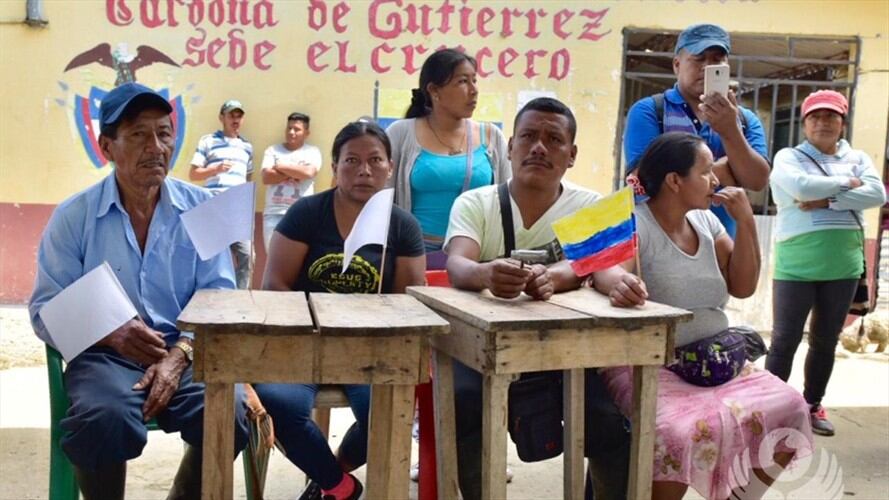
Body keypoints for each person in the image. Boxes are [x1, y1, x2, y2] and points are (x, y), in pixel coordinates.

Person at [28, 82, 249, 499]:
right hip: (104, 354)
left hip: (186, 352)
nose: (156, 146)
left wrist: (180, 354)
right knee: (101, 417)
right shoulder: (74, 217)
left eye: (164, 133)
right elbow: (45, 308)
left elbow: (221, 299)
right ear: (107, 147)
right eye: (138, 135)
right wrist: (110, 331)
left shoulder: (203, 207)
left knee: (228, 413)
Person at [445, 97, 647, 500]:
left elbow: (602, 266)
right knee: (463, 403)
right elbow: (457, 264)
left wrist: (619, 284)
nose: (539, 146)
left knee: (608, 419)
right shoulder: (476, 203)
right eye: (529, 136)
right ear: (510, 147)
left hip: (566, 351)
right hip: (483, 350)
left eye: (554, 139)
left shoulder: (590, 206)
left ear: (571, 155)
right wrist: (486, 273)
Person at [604, 132, 813, 500]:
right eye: (705, 172)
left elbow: (743, 285)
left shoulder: (707, 223)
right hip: (652, 365)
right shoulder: (635, 225)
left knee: (792, 408)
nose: (716, 181)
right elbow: (609, 270)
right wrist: (619, 283)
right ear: (674, 181)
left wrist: (746, 222)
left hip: (714, 361)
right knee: (679, 433)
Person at [254, 121, 426, 500]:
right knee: (278, 403)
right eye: (351, 160)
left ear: (390, 167)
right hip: (304, 342)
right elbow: (276, 286)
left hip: (368, 350)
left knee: (385, 412)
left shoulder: (401, 226)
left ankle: (332, 470)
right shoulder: (307, 214)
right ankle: (340, 487)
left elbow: (410, 299)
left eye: (375, 160)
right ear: (335, 167)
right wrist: (313, 332)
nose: (364, 170)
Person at [766, 90, 887, 436]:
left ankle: (811, 404)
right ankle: (770, 411)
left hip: (843, 265)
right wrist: (848, 185)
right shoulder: (789, 156)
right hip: (796, 264)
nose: (823, 122)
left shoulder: (859, 156)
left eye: (831, 116)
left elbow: (877, 194)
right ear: (804, 124)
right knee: (784, 341)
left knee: (824, 341)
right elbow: (800, 188)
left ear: (842, 123)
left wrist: (827, 201)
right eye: (815, 117)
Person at [623, 23, 769, 237]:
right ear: (676, 64)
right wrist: (729, 170)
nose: (707, 67)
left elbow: (757, 181)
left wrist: (730, 131)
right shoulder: (650, 111)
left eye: (716, 59)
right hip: (661, 241)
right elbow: (645, 181)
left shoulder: (745, 119)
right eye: (698, 58)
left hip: (725, 244)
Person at [387, 48, 510, 268]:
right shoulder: (401, 134)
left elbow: (507, 199)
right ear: (434, 90)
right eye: (463, 82)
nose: (474, 90)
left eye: (475, 80)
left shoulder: (491, 137)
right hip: (414, 256)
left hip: (475, 259)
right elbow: (382, 199)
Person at [189, 99, 255, 289]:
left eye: (239, 115)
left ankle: (240, 298)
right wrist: (215, 169)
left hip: (237, 208)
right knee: (211, 257)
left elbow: (247, 179)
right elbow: (193, 174)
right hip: (213, 205)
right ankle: (210, 297)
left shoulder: (247, 147)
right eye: (231, 115)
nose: (235, 119)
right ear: (222, 118)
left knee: (247, 255)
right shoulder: (208, 141)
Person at [260, 112, 322, 252]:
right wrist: (295, 173)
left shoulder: (312, 152)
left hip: (302, 213)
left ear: (307, 133)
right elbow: (267, 177)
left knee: (300, 259)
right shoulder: (272, 150)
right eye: (289, 128)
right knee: (274, 258)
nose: (292, 132)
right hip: (274, 213)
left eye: (297, 129)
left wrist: (280, 167)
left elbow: (308, 173)